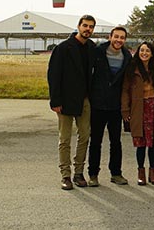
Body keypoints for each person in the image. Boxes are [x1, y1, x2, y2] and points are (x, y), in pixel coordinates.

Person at [47, 14, 96, 191]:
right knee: (65, 139)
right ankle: (65, 175)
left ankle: (79, 172)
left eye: (91, 27)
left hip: (84, 100)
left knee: (84, 136)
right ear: (78, 26)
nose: (87, 29)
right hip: (65, 101)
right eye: (85, 26)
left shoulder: (91, 47)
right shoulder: (63, 48)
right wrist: (55, 100)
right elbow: (53, 75)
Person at [87, 26, 131, 187]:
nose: (119, 40)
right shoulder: (97, 52)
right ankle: (93, 174)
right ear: (110, 37)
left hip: (115, 106)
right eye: (116, 37)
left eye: (122, 38)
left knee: (116, 142)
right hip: (98, 104)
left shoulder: (127, 57)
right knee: (95, 141)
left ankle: (116, 173)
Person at [121, 42, 154, 186]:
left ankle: (153, 172)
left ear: (152, 54)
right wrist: (125, 110)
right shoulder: (132, 69)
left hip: (153, 107)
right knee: (141, 143)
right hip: (138, 108)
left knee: (153, 143)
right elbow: (125, 91)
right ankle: (141, 172)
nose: (144, 53)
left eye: (147, 51)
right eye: (142, 50)